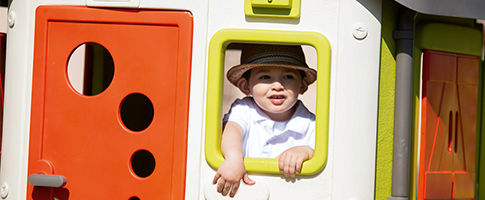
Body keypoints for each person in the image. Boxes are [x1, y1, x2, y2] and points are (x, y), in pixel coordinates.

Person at [212, 44, 317, 197]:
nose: (277, 85)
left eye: (288, 76)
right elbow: (231, 130)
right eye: (265, 77)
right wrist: (233, 158)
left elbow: (323, 154)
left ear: (302, 85)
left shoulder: (311, 124)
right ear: (245, 86)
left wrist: (306, 151)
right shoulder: (244, 109)